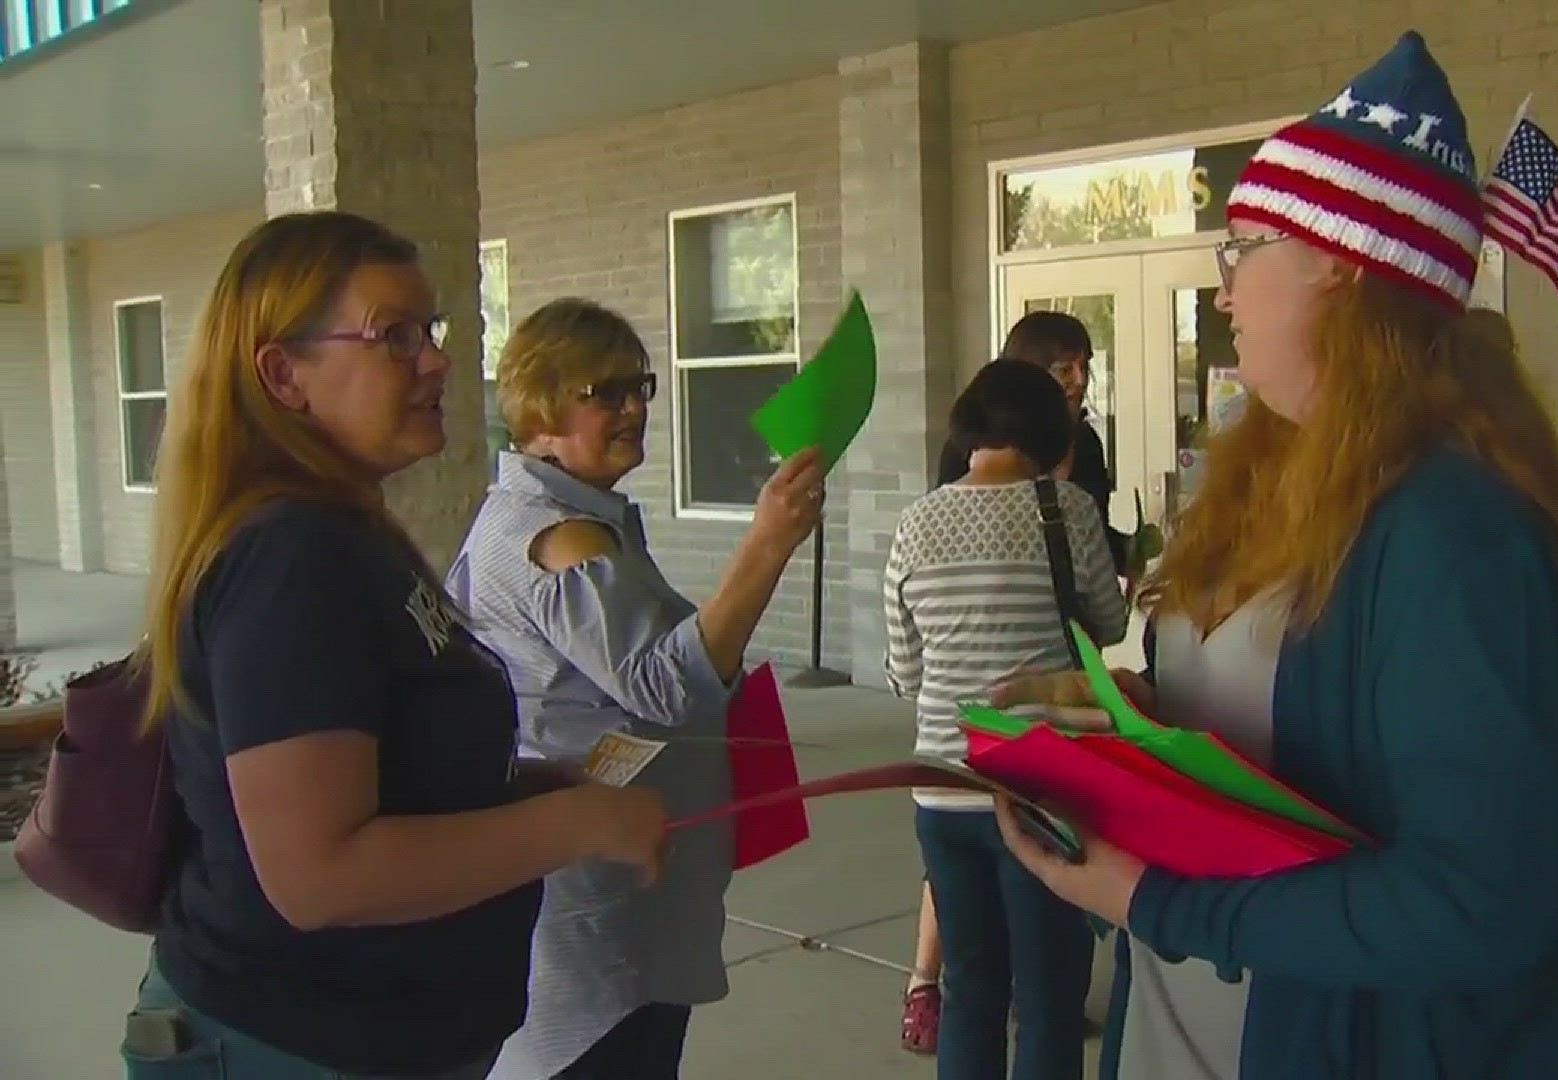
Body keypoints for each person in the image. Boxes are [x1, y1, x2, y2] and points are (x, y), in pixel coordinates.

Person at [985, 31, 1558, 1078]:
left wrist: (1146, 900)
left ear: (1342, 267)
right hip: (1196, 1023)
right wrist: (1127, 721)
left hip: (1353, 1036)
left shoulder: (1456, 528)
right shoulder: (1267, 474)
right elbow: (1297, 729)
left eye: (1243, 252)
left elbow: (1481, 899)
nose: (1222, 293)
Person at [122, 212, 669, 1080]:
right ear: (283, 374)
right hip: (293, 1043)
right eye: (396, 336)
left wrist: (520, 787)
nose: (438, 360)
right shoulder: (290, 556)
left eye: (434, 331)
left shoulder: (345, 531)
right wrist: (572, 823)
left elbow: (387, 766)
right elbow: (322, 874)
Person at [446, 298, 825, 1079]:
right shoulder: (557, 536)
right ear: (542, 401)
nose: (632, 409)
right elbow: (664, 688)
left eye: (639, 387)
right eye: (604, 392)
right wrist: (768, 545)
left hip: (616, 869)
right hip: (603, 901)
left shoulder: (544, 513)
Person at [886, 357, 1130, 1080]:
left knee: (970, 989)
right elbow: (1110, 624)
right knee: (1050, 996)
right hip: (1041, 791)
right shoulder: (1068, 510)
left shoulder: (915, 523)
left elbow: (905, 671)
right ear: (1050, 432)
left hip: (941, 789)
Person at [938, 312, 1127, 568]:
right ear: (1024, 375)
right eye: (1064, 370)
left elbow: (1095, 535)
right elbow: (947, 534)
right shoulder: (972, 445)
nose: (1081, 381)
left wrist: (1132, 550)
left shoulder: (1086, 443)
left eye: (1085, 366)